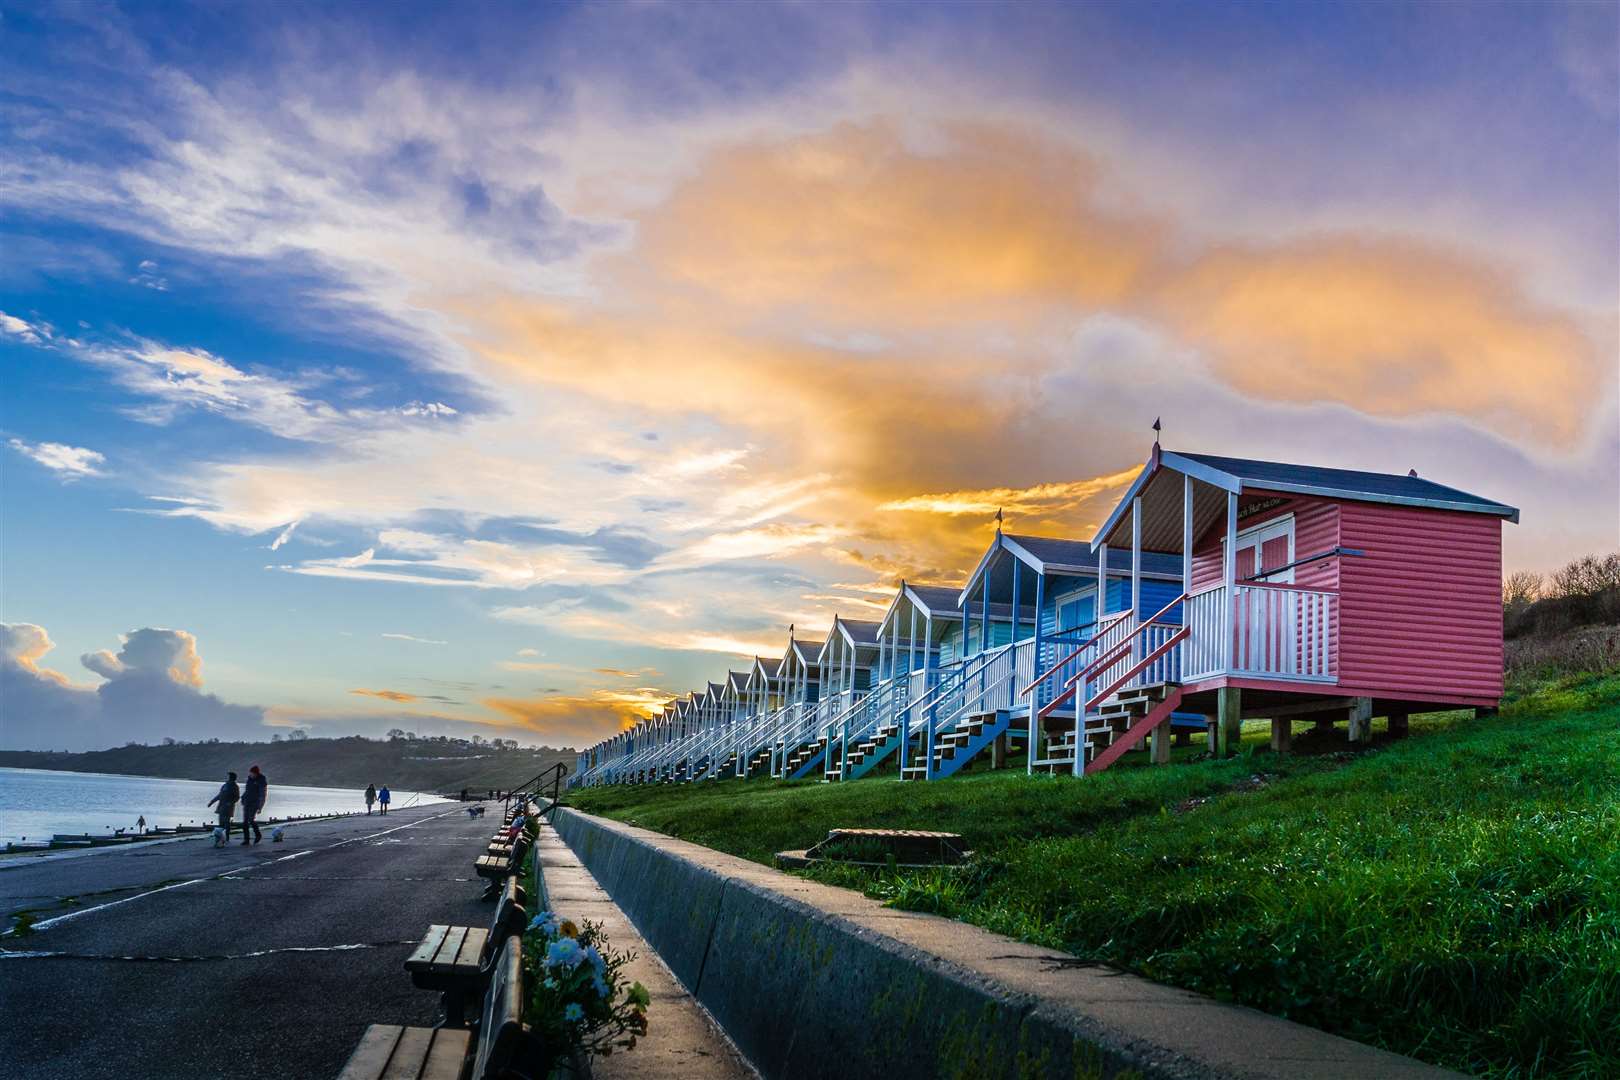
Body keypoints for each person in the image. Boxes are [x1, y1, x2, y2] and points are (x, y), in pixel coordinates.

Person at [207, 772, 240, 841]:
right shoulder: (225, 785)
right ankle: (221, 837)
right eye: (229, 777)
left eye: (230, 777)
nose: (229, 778)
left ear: (233, 778)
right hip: (221, 806)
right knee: (221, 823)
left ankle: (226, 837)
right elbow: (219, 795)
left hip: (228, 807)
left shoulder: (235, 786)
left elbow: (237, 797)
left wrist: (230, 803)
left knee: (226, 823)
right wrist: (211, 802)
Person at [240, 765, 268, 845]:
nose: (251, 774)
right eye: (250, 773)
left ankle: (258, 835)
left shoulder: (261, 781)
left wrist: (260, 807)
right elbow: (247, 791)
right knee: (245, 821)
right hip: (247, 802)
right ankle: (246, 840)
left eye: (252, 773)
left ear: (256, 773)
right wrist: (242, 798)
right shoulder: (249, 779)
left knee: (251, 819)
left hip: (255, 803)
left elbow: (263, 795)